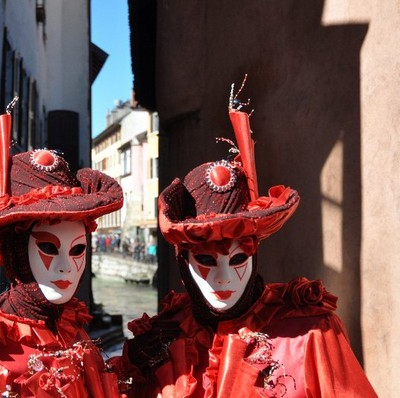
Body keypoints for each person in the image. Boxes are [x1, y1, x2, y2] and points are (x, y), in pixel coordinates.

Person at [112, 80, 377, 397]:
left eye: (238, 259)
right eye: (207, 260)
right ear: (183, 261)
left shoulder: (309, 333)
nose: (224, 278)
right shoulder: (162, 341)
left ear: (254, 254)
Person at [0, 101, 124, 397]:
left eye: (77, 250)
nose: (65, 267)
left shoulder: (74, 333)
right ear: (16, 251)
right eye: (47, 247)